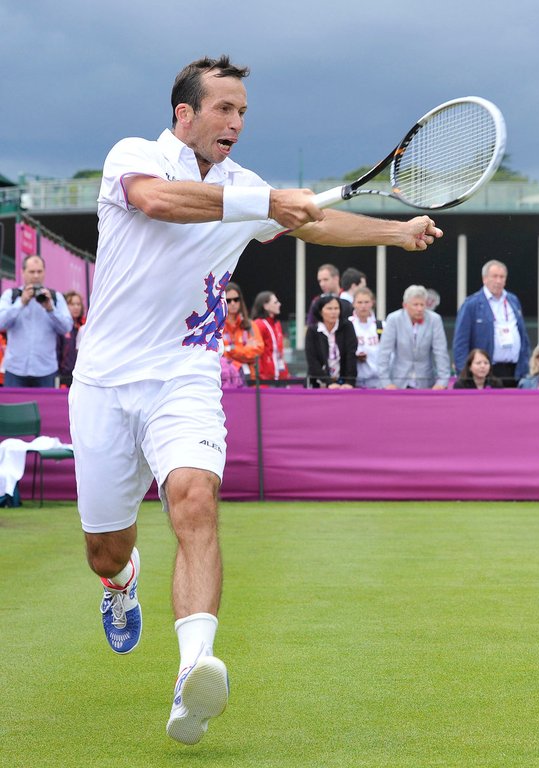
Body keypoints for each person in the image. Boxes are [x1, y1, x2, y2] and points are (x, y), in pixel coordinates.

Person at [70, 55, 442, 746]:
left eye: (242, 111)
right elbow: (159, 202)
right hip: (102, 381)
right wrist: (265, 204)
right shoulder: (136, 156)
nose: (236, 122)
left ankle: (193, 672)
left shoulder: (247, 187)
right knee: (102, 548)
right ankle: (121, 582)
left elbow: (314, 224)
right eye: (224, 110)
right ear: (184, 113)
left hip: (185, 374)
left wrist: (393, 232)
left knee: (194, 498)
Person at [452, 259, 530, 386]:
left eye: (502, 277)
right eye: (494, 276)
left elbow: (523, 336)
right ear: (484, 279)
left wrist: (525, 364)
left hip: (514, 371)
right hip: (485, 373)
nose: (498, 281)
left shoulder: (513, 300)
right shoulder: (471, 304)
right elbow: (460, 342)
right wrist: (464, 375)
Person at [0, 254, 73, 387]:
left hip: (46, 371)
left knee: (45, 409)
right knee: (13, 408)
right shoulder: (11, 295)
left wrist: (51, 309)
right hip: (15, 370)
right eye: (31, 272)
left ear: (44, 272)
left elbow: (67, 327)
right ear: (22, 272)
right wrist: (20, 303)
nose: (35, 276)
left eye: (39, 271)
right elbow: (1, 323)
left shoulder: (55, 297)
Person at [376, 285, 450, 389]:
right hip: (398, 382)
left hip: (426, 382)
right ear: (405, 305)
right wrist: (386, 382)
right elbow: (384, 352)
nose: (419, 309)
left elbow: (440, 352)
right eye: (415, 305)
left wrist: (442, 382)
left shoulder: (435, 320)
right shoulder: (393, 319)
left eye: (422, 304)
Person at [304, 293, 357, 388]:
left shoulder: (347, 327)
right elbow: (312, 361)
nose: (333, 312)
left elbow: (351, 354)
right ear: (320, 311)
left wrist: (349, 382)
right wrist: (329, 383)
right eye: (329, 308)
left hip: (343, 383)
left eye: (336, 308)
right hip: (318, 383)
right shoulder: (313, 331)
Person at [219, 281, 262, 388]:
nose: (233, 303)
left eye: (236, 299)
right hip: (225, 382)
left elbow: (258, 350)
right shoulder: (218, 327)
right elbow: (219, 353)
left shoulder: (250, 325)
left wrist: (230, 349)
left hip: (249, 381)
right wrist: (244, 349)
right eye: (228, 301)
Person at [251, 291, 290, 383]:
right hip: (265, 378)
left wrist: (285, 372)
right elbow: (255, 351)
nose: (279, 304)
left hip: (279, 376)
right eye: (275, 302)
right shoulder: (258, 324)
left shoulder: (277, 324)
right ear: (265, 306)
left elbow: (279, 352)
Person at [349, 287, 382, 389]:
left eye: (366, 302)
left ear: (372, 303)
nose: (363, 306)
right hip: (355, 382)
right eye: (359, 302)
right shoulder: (348, 325)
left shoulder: (381, 326)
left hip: (378, 382)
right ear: (353, 303)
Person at [58, 289, 87, 382]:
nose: (76, 307)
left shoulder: (85, 327)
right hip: (64, 375)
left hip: (82, 374)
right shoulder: (61, 327)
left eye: (78, 304)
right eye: (72, 304)